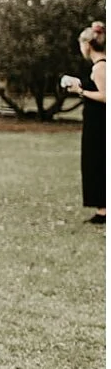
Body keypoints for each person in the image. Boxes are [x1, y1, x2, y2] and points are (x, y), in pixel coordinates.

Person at [65, 21, 106, 224]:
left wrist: (80, 91)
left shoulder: (100, 67)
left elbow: (106, 96)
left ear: (87, 45)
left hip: (100, 124)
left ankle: (103, 210)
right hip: (95, 121)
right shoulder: (100, 67)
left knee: (97, 162)